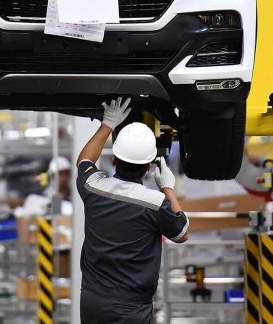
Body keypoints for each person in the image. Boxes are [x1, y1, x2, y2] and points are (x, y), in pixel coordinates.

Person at [76, 97, 189, 324]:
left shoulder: (93, 186)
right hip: (131, 308)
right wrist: (167, 188)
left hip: (92, 301)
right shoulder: (155, 203)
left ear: (115, 160)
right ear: (149, 167)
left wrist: (107, 124)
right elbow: (182, 231)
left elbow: (84, 160)